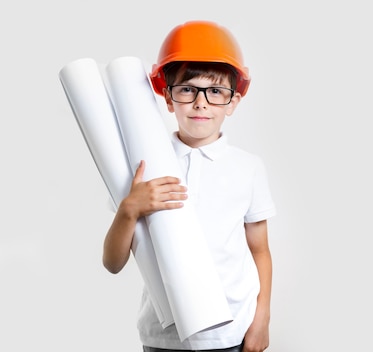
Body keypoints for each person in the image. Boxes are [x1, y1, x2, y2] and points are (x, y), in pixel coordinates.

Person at [102, 20, 276, 352]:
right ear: (168, 98)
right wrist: (129, 208)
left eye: (215, 91)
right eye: (187, 89)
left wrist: (262, 319)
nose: (201, 103)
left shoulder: (248, 167)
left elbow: (260, 252)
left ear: (233, 102)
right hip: (163, 336)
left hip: (232, 334)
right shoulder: (142, 168)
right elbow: (112, 263)